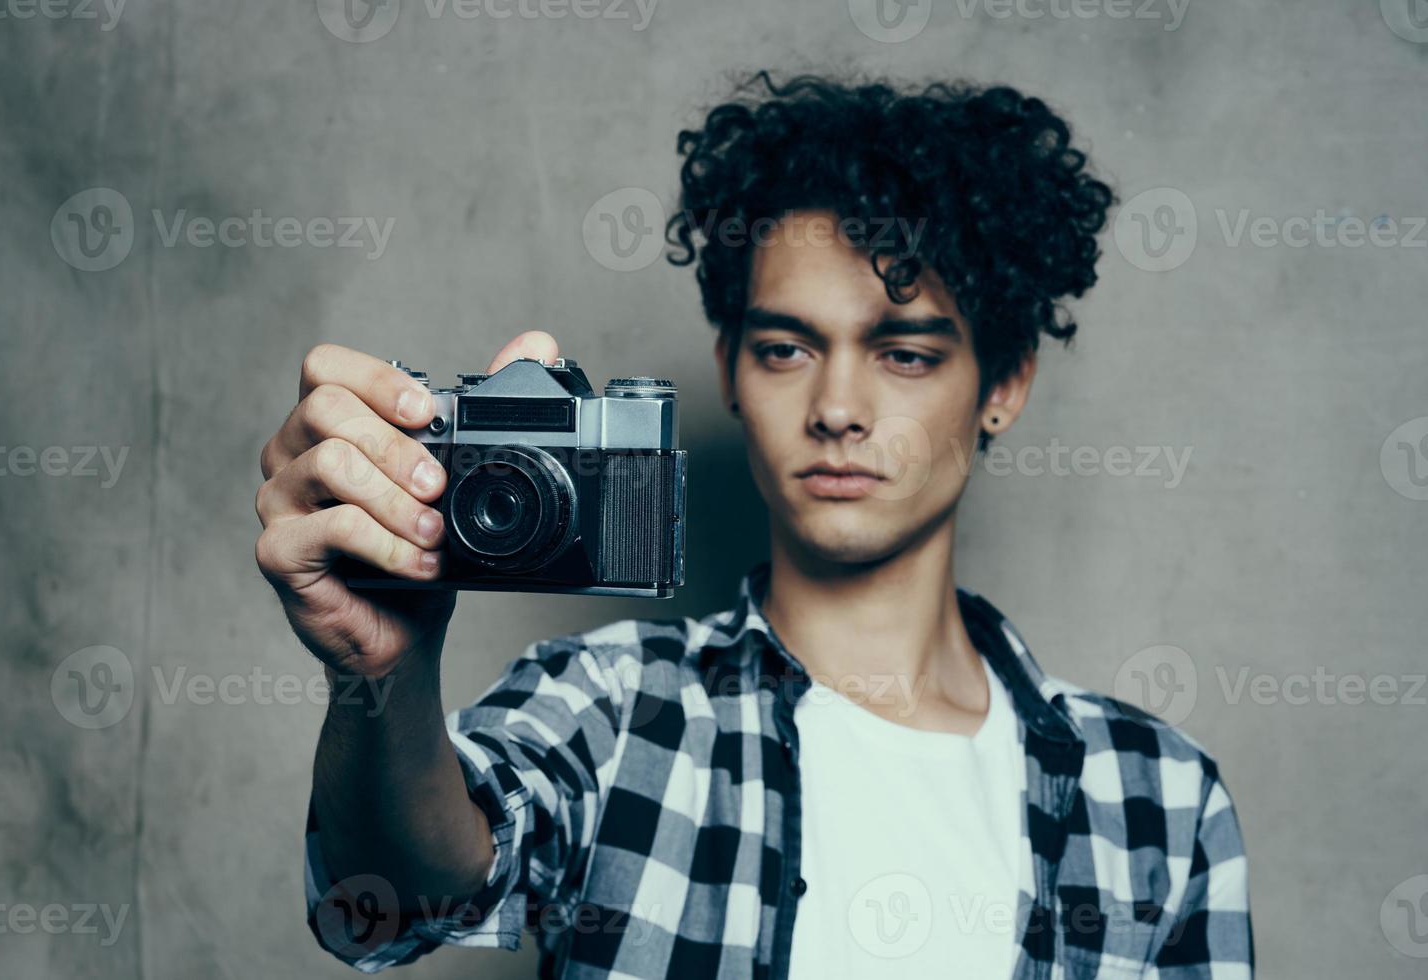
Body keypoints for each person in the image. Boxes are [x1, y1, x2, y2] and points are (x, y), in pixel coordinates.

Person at [254, 73, 1254, 978]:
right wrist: (378, 676)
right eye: (786, 347)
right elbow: (385, 905)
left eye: (905, 353)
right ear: (731, 368)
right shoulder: (613, 705)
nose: (837, 407)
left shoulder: (1154, 799)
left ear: (1004, 382)